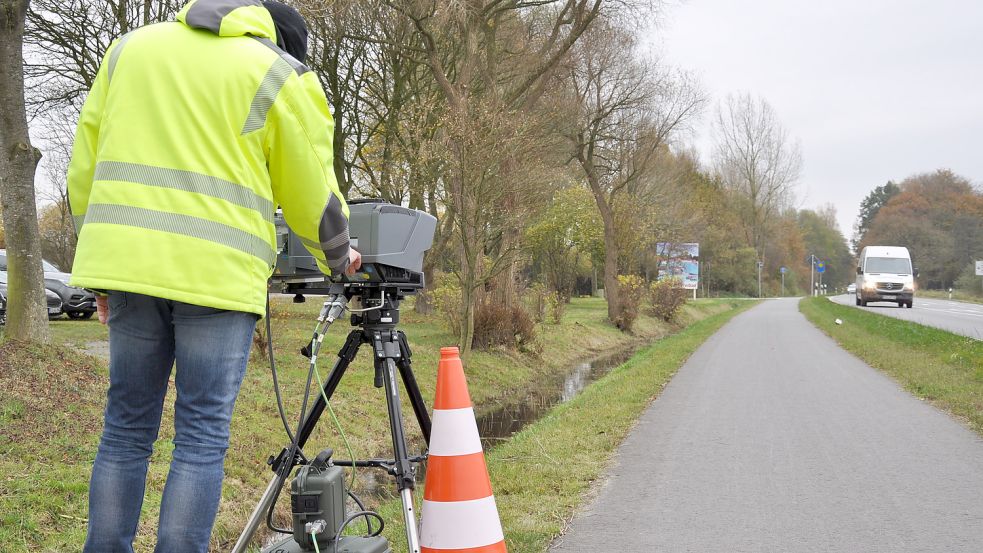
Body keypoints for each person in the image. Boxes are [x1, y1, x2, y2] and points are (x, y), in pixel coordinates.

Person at [66, 1, 360, 551]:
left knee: (126, 428)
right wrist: (340, 260)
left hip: (128, 269)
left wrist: (100, 270)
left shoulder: (130, 49)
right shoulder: (276, 70)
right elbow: (310, 192)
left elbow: (85, 166)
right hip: (217, 279)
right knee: (200, 437)